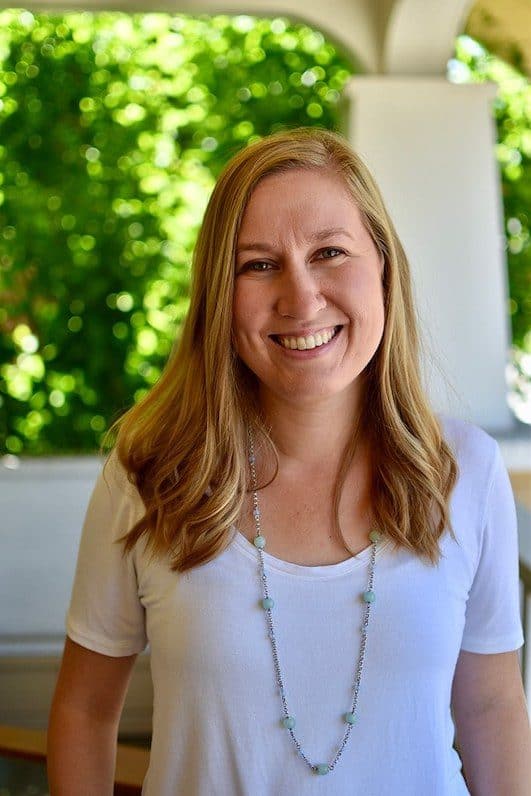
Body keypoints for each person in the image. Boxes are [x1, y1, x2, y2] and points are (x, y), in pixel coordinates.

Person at [47, 127, 531, 795]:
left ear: (384, 267)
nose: (301, 299)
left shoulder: (464, 471)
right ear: (220, 293)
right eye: (258, 264)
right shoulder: (150, 471)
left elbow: (490, 707)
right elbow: (83, 710)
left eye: (329, 252)